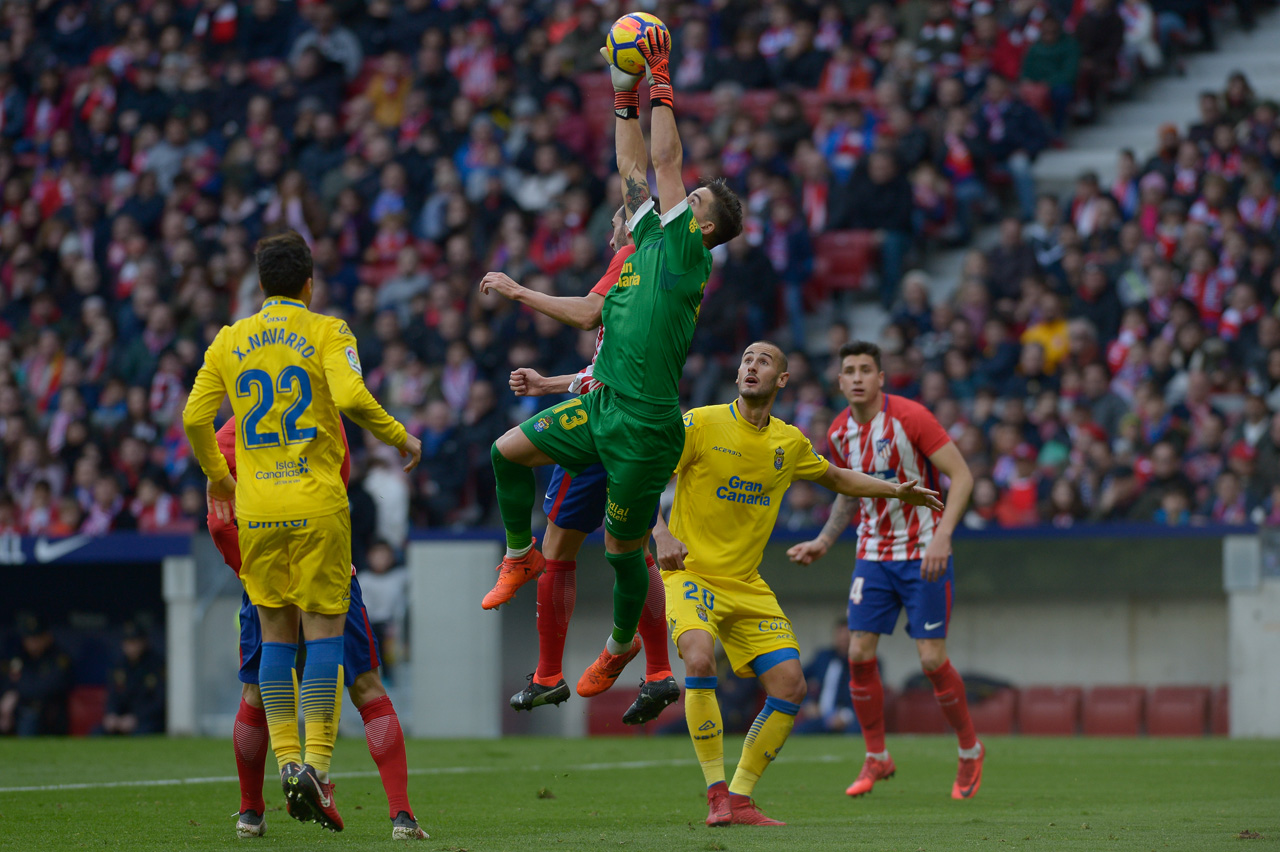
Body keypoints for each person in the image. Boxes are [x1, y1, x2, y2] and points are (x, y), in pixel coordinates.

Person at [483, 29, 742, 700]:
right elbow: (633, 167)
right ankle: (520, 555)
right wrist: (622, 93)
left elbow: (664, 156)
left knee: (626, 553)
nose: (679, 199)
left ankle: (624, 647)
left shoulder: (689, 255)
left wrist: (660, 80)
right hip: (600, 407)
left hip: (647, 427)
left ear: (705, 226)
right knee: (505, 452)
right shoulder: (645, 241)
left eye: (697, 201)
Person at [182, 231, 423, 833]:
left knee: (273, 647)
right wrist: (400, 437)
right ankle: (315, 764)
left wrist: (218, 481)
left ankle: (284, 771)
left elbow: (192, 418)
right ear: (309, 283)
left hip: (256, 515)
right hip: (317, 508)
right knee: (326, 644)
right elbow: (352, 396)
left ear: (259, 283)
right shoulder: (328, 331)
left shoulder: (231, 340)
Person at [654, 342, 944, 827]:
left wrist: (895, 488)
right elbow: (642, 478)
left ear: (782, 381)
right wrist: (659, 532)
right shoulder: (700, 422)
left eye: (763, 361)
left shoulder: (788, 444)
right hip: (690, 573)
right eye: (745, 359)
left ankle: (742, 799)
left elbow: (836, 477)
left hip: (746, 583)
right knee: (700, 657)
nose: (750, 365)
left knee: (790, 685)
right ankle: (716, 793)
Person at [479, 208, 675, 725]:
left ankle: (580, 667)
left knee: (598, 548)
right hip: (614, 410)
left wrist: (519, 291)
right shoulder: (660, 272)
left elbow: (589, 313)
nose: (608, 228)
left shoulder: (632, 257)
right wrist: (550, 385)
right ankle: (643, 672)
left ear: (629, 227)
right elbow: (612, 361)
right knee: (603, 549)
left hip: (611, 424)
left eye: (616, 219)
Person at [207, 418, 427, 840]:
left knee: (255, 691)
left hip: (264, 568)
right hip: (326, 559)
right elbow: (340, 480)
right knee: (366, 687)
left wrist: (247, 573)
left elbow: (219, 524)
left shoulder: (231, 434)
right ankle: (396, 814)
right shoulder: (319, 409)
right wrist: (399, 436)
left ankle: (251, 812)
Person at [789, 340, 982, 801]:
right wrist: (823, 540)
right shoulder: (838, 432)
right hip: (873, 554)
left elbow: (964, 476)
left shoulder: (911, 417)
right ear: (840, 382)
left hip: (923, 553)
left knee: (932, 660)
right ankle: (877, 756)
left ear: (881, 378)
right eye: (849, 370)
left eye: (865, 370)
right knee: (857, 654)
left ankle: (970, 750)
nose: (856, 377)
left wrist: (943, 535)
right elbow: (847, 491)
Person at [0, 613, 72, 736]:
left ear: (47, 636)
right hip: (15, 711)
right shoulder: (19, 657)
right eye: (28, 638)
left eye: (36, 637)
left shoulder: (59, 659)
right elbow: (8, 683)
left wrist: (16, 696)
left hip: (48, 714)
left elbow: (48, 689)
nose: (32, 642)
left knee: (30, 717)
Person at [100, 621, 165, 736]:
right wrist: (112, 715)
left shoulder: (156, 665)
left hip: (147, 719)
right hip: (122, 720)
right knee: (97, 733)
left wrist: (136, 717)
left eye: (134, 642)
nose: (131, 647)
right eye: (127, 642)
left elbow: (160, 702)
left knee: (142, 733)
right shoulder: (119, 666)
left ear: (144, 642)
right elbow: (113, 696)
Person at [794, 618, 858, 734]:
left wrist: (845, 716)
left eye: (847, 634)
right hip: (821, 717)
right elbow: (798, 678)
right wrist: (808, 703)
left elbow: (869, 695)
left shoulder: (864, 662)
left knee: (856, 733)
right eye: (840, 634)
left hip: (851, 718)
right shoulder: (823, 657)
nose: (844, 638)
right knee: (799, 732)